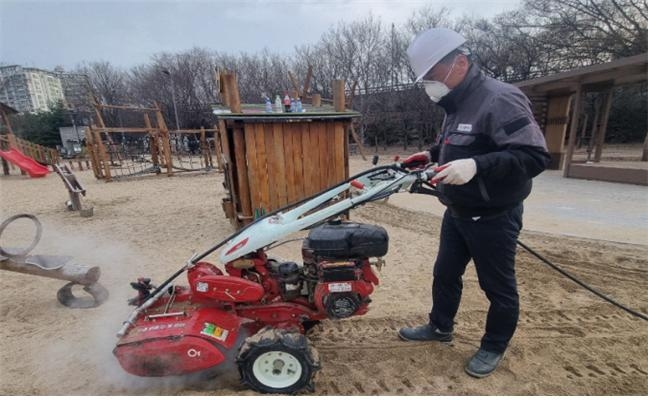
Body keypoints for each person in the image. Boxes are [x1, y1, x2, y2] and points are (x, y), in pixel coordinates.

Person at [398, 27, 551, 378]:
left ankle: (494, 346)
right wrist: (430, 155)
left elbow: (533, 157)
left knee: (497, 287)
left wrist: (476, 166)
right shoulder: (456, 102)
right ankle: (440, 327)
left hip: (494, 215)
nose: (431, 87)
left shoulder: (500, 99)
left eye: (433, 77)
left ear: (460, 63)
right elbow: (459, 144)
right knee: (445, 274)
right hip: (458, 210)